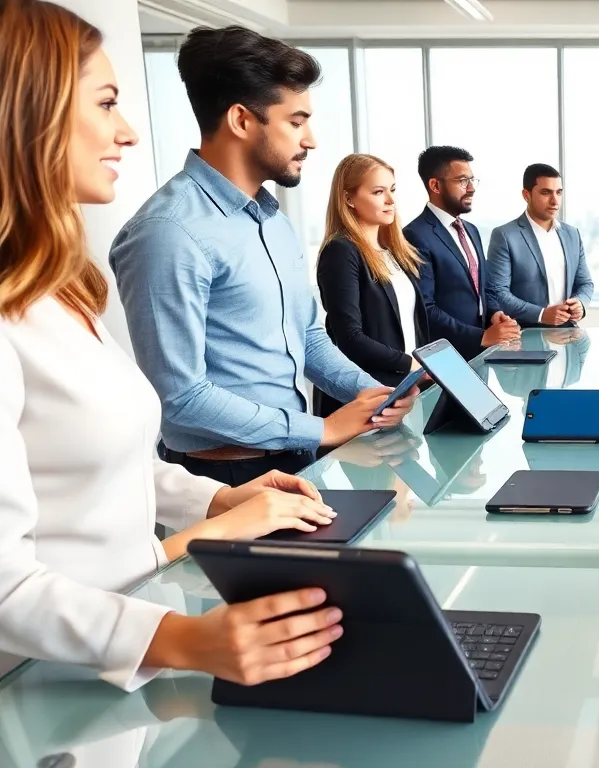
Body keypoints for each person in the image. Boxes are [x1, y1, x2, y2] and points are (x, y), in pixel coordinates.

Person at [0, 0, 344, 692]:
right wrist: (183, 637)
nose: (127, 132)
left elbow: (99, 462)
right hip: (40, 682)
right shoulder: (164, 233)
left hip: (119, 644)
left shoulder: (55, 291)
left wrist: (215, 501)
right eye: (105, 103)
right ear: (26, 114)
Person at [109, 26, 415, 486]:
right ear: (241, 120)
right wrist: (323, 429)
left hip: (296, 458)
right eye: (296, 122)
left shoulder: (273, 220)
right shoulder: (167, 232)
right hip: (224, 475)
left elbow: (308, 339)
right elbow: (180, 397)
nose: (310, 139)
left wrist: (372, 393)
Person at [313, 154, 428, 418]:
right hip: (365, 396)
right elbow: (349, 337)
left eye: (392, 190)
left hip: (405, 388)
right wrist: (409, 363)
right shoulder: (341, 251)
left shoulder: (395, 252)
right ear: (348, 199)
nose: (390, 200)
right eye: (378, 192)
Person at [403, 146, 520, 357]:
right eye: (462, 181)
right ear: (435, 185)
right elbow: (425, 308)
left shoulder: (471, 230)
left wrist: (494, 313)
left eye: (472, 180)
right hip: (445, 357)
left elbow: (483, 288)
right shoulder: (415, 234)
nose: (471, 188)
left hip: (481, 353)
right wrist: (480, 336)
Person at [484, 163, 594, 327]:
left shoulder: (572, 234)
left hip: (568, 331)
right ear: (526, 195)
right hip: (525, 333)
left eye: (558, 192)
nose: (555, 201)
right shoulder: (505, 235)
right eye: (545, 192)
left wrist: (580, 304)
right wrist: (541, 314)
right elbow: (498, 292)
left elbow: (585, 283)